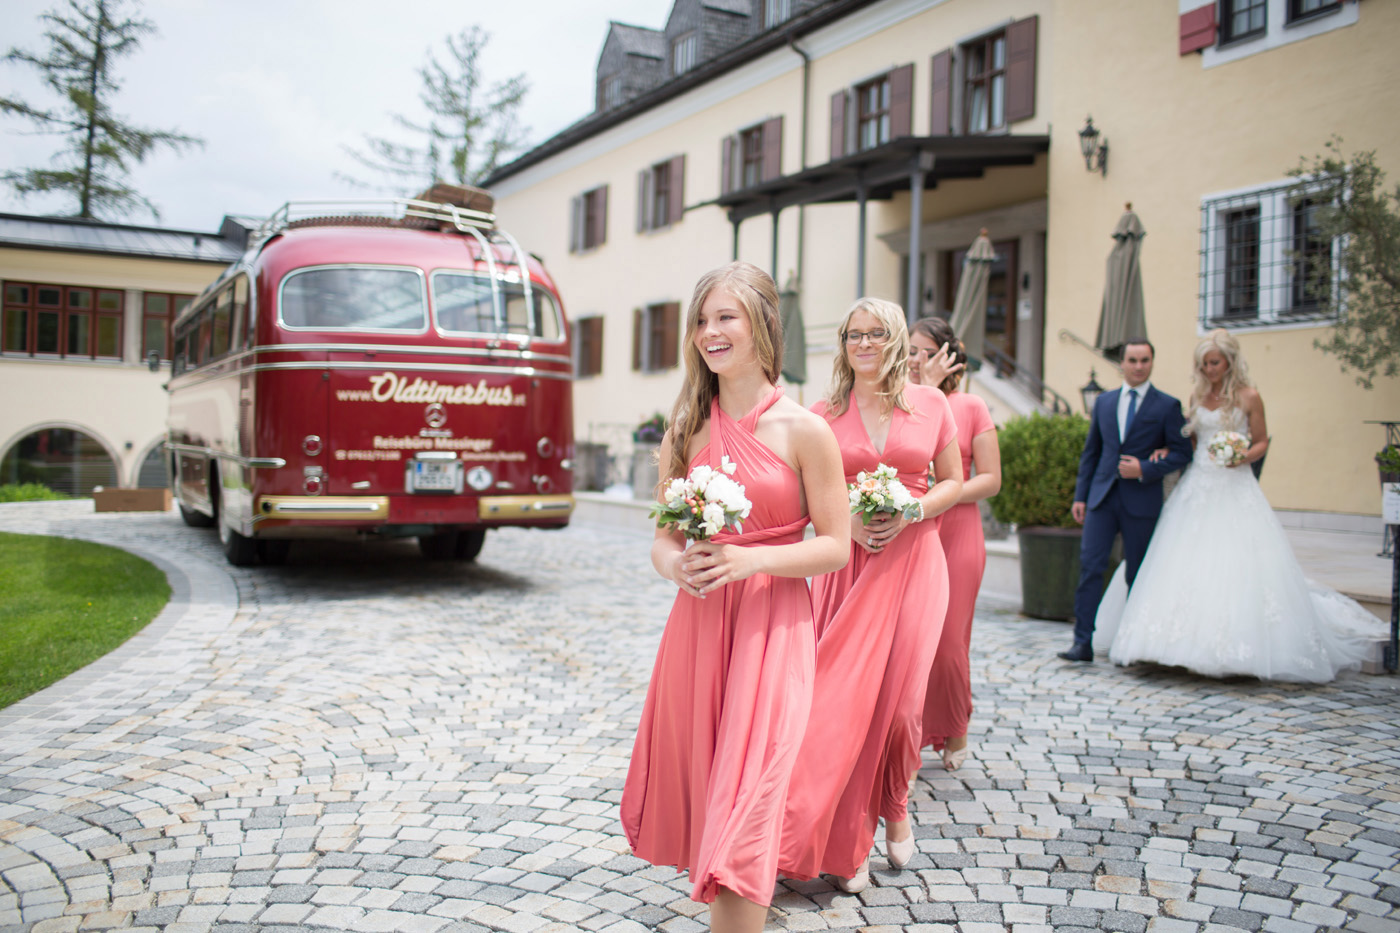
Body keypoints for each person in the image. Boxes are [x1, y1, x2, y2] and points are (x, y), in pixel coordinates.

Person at [620, 261, 849, 933]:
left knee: (748, 806)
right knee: (711, 805)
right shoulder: (686, 427)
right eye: (701, 320)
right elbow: (662, 540)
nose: (710, 332)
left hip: (772, 632)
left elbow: (835, 544)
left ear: (762, 328)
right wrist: (676, 568)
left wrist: (753, 557)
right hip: (697, 633)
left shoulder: (807, 430)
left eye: (726, 317)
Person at [780, 298, 963, 893]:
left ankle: (899, 801)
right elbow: (802, 496)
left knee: (905, 705)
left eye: (875, 333)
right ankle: (846, 839)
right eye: (853, 334)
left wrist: (914, 509)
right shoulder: (822, 413)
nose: (863, 343)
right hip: (848, 564)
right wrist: (846, 523)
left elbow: (955, 481)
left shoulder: (932, 403)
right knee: (844, 702)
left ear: (893, 340)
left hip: (916, 562)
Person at [1092, 329, 1386, 681]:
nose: (1208, 369)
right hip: (1197, 485)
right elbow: (1189, 444)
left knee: (1237, 561)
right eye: (1203, 364)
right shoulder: (1197, 395)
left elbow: (1262, 441)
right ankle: (1171, 647)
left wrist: (1242, 455)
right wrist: (1165, 451)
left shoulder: (1250, 396)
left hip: (1235, 483)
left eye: (1214, 362)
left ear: (1229, 361)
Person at [1061, 338, 1192, 662]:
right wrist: (1082, 496)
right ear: (1122, 363)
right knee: (1090, 568)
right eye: (1132, 360)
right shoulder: (1104, 402)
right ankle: (1082, 642)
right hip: (1102, 499)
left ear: (1151, 362)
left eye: (1144, 360)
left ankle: (1133, 645)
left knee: (1138, 572)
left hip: (1142, 500)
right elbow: (1092, 452)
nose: (1138, 366)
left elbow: (1183, 452)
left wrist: (1146, 468)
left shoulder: (1166, 405)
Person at [908, 318, 1000, 772]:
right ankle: (909, 734)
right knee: (911, 640)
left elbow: (991, 479)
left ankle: (955, 726)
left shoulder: (971, 405)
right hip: (913, 533)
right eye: (908, 350)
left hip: (959, 532)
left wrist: (941, 493)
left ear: (948, 356)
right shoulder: (901, 403)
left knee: (948, 643)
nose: (914, 359)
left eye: (923, 350)